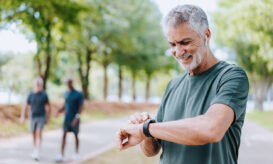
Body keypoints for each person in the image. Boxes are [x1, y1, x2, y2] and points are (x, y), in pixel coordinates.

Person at [116, 4, 249, 164]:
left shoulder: (231, 76)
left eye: (185, 42)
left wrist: (146, 128)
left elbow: (211, 129)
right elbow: (152, 150)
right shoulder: (173, 85)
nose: (178, 52)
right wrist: (144, 130)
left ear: (206, 35)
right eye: (172, 44)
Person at [20, 77, 51, 161]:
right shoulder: (31, 94)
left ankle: (37, 151)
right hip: (32, 116)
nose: (38, 85)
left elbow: (48, 106)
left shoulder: (44, 94)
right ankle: (35, 149)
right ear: (34, 84)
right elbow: (25, 105)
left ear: (41, 85)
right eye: (37, 84)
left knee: (39, 132)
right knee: (33, 133)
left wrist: (48, 117)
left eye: (39, 84)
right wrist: (23, 116)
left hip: (41, 116)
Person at [55, 78, 84, 162]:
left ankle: (76, 153)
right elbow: (65, 104)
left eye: (69, 83)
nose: (68, 84)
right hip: (67, 118)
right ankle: (61, 155)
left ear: (72, 83)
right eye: (66, 83)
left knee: (75, 135)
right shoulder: (66, 93)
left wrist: (77, 117)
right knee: (64, 135)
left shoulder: (78, 94)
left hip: (75, 118)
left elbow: (81, 106)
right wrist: (58, 111)